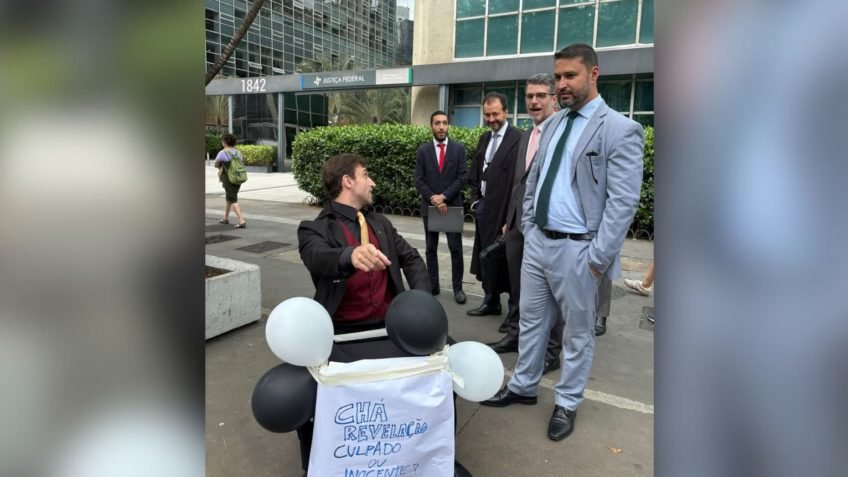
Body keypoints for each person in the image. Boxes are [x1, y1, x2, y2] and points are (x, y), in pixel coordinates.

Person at [481, 44, 644, 444]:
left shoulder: (619, 129)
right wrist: (530, 227)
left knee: (577, 334)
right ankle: (523, 386)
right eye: (558, 77)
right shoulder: (552, 125)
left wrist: (598, 256)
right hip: (539, 243)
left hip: (580, 250)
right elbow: (535, 178)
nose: (562, 84)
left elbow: (623, 202)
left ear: (593, 74)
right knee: (532, 322)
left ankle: (568, 402)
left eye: (570, 75)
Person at [296, 154, 471, 477]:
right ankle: (320, 464)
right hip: (342, 334)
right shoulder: (314, 229)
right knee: (303, 388)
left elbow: (412, 259)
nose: (373, 182)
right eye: (366, 175)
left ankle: (438, 454)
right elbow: (318, 257)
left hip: (394, 329)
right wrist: (349, 256)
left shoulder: (380, 224)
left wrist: (419, 303)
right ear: (348, 182)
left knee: (447, 367)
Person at [488, 73, 563, 374]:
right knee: (518, 287)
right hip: (518, 227)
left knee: (551, 293)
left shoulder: (562, 133)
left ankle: (551, 352)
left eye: (541, 95)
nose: (534, 101)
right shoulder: (525, 136)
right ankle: (515, 333)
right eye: (530, 96)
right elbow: (517, 185)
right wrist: (509, 220)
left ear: (554, 99)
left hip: (548, 229)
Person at [467, 92, 523, 317]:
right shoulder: (484, 138)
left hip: (505, 213)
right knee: (486, 258)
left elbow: (521, 181)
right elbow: (475, 172)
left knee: (508, 261)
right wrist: (475, 202)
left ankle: (513, 312)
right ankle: (491, 301)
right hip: (484, 210)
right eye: (487, 115)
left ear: (506, 112)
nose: (491, 119)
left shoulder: (519, 139)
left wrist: (512, 216)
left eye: (495, 114)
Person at [414, 111, 468, 304]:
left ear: (448, 125)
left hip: (451, 206)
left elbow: (462, 177)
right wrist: (433, 198)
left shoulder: (458, 149)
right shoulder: (423, 151)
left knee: (456, 250)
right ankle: (434, 285)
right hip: (430, 207)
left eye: (444, 123)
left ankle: (458, 289)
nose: (441, 127)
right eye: (437, 123)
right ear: (432, 126)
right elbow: (418, 180)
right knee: (431, 248)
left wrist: (443, 196)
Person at [213, 133, 247, 229]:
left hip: (228, 178)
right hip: (238, 177)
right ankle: (226, 218)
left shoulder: (222, 153)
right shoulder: (238, 152)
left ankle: (241, 221)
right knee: (229, 197)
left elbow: (216, 165)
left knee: (232, 199)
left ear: (225, 142)